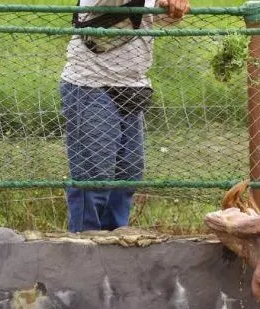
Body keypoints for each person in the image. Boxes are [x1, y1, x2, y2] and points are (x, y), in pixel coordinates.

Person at [60, 0, 190, 232]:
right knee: (94, 175)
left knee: (128, 173)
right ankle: (84, 246)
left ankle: (115, 239)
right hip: (91, 85)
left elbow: (161, 18)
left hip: (133, 85)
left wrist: (174, 7)